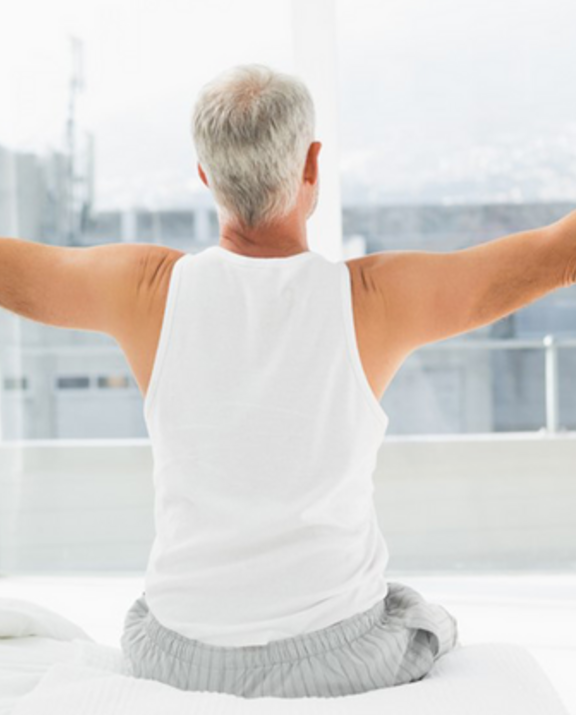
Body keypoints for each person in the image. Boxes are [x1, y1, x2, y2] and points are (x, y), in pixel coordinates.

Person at [1, 63, 574, 699]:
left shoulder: (145, 290)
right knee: (418, 616)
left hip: (179, 655)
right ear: (311, 166)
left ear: (205, 175)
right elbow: (559, 253)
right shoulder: (371, 299)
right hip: (337, 657)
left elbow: (14, 271)